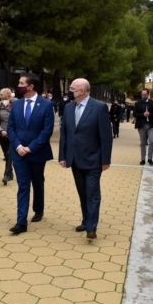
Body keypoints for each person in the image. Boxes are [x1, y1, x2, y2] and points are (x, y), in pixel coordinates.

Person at [59, 78, 112, 239]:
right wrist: (63, 156)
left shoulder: (99, 107)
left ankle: (91, 228)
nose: (69, 90)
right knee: (82, 192)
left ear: (82, 91)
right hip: (74, 159)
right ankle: (85, 220)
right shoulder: (68, 108)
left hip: (93, 160)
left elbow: (106, 137)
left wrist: (105, 160)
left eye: (72, 88)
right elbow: (65, 134)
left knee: (92, 193)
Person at [7, 73, 55, 234]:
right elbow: (11, 128)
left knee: (37, 181)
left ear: (30, 86)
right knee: (23, 185)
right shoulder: (17, 104)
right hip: (18, 153)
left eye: (21, 83)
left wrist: (31, 147)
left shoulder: (46, 105)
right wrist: (18, 146)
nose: (18, 85)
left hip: (37, 153)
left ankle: (38, 209)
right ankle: (21, 222)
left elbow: (47, 130)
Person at [134, 88, 153, 166]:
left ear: (148, 94)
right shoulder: (138, 103)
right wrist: (143, 115)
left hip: (151, 125)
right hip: (141, 125)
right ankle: (143, 159)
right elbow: (135, 114)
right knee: (143, 143)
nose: (143, 96)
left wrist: (150, 114)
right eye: (142, 94)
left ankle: (150, 158)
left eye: (145, 94)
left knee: (151, 141)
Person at [0, 88, 14, 185]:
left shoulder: (15, 106)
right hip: (2, 135)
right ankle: (10, 171)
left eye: (5, 98)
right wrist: (1, 131)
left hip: (13, 134)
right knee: (6, 154)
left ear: (9, 97)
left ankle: (6, 175)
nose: (4, 100)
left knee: (10, 154)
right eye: (2, 98)